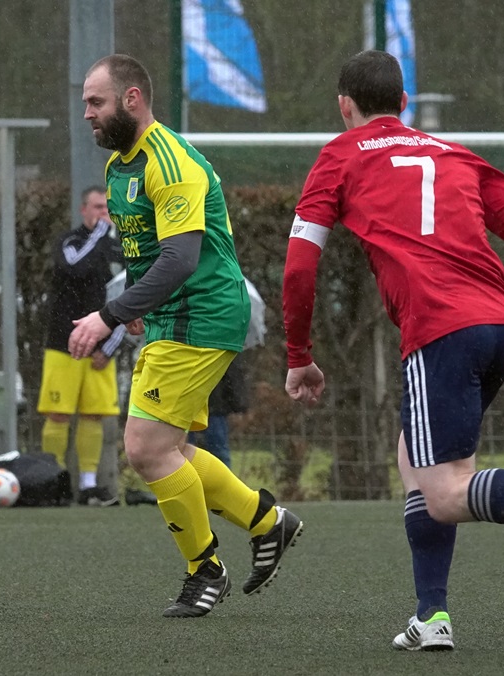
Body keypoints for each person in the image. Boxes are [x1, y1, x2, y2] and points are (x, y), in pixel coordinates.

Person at [281, 50, 504, 650]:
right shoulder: (454, 154)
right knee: (415, 459)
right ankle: (432, 616)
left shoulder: (340, 155)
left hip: (439, 331)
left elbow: (299, 266)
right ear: (404, 103)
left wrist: (299, 353)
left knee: (449, 492)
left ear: (344, 106)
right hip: (495, 325)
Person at [71, 53, 304, 617]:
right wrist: (136, 304)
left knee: (145, 449)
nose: (87, 113)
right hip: (172, 316)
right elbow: (148, 251)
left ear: (132, 99)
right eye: (85, 104)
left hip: (202, 313)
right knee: (167, 448)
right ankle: (267, 522)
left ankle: (205, 570)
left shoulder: (170, 161)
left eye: (96, 102)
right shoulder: (120, 166)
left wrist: (109, 314)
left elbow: (180, 258)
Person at [38, 186, 125, 507]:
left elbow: (126, 296)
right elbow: (73, 267)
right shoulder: (69, 241)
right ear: (83, 209)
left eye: (107, 209)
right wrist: (99, 235)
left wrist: (111, 345)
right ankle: (53, 479)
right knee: (58, 413)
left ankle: (88, 485)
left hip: (100, 349)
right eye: (97, 207)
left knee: (93, 415)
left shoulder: (117, 248)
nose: (103, 214)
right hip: (64, 344)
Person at [186, 356, 249, 468]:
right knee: (216, 450)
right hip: (201, 406)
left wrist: (238, 406)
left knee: (185, 451)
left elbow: (232, 373)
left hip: (209, 407)